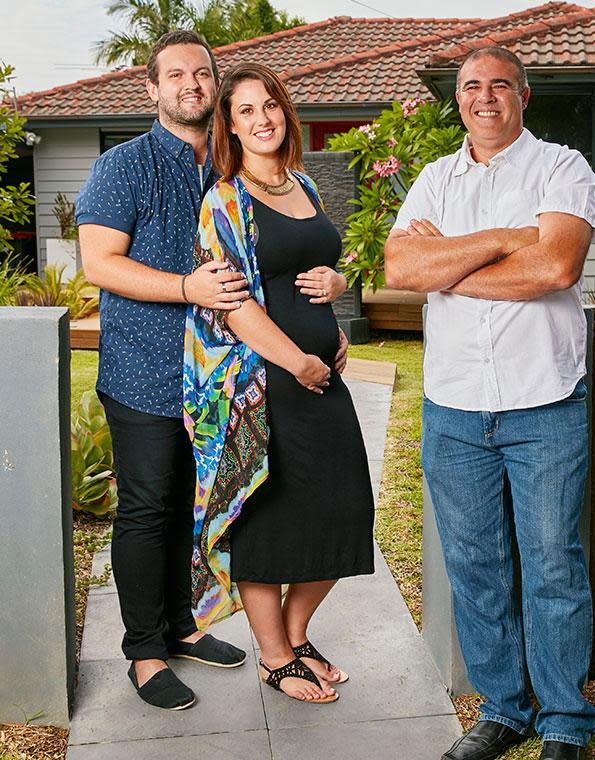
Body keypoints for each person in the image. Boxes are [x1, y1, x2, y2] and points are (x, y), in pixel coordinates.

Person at [75, 30, 329, 712]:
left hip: (223, 383)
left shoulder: (229, 165)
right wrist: (187, 287)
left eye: (203, 73)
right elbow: (100, 264)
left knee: (200, 507)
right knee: (148, 510)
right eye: (177, 74)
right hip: (145, 374)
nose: (193, 83)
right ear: (151, 88)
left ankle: (184, 627)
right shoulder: (124, 166)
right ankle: (144, 652)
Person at [384, 47, 595, 760]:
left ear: (523, 95)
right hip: (454, 406)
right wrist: (504, 243)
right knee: (476, 566)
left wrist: (448, 264)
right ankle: (504, 710)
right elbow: (400, 268)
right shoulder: (433, 178)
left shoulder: (561, 168)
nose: (485, 97)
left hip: (542, 400)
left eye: (499, 85)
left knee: (553, 568)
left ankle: (566, 721)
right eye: (471, 87)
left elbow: (557, 265)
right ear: (458, 100)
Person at [183, 62, 375, 705]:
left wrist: (339, 296)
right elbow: (232, 303)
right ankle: (273, 656)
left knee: (346, 511)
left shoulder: (304, 185)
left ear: (285, 113)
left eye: (270, 105)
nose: (262, 118)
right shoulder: (225, 200)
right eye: (245, 111)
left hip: (323, 375)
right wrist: (297, 360)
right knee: (265, 521)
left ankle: (294, 633)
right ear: (228, 126)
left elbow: (323, 266)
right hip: (263, 385)